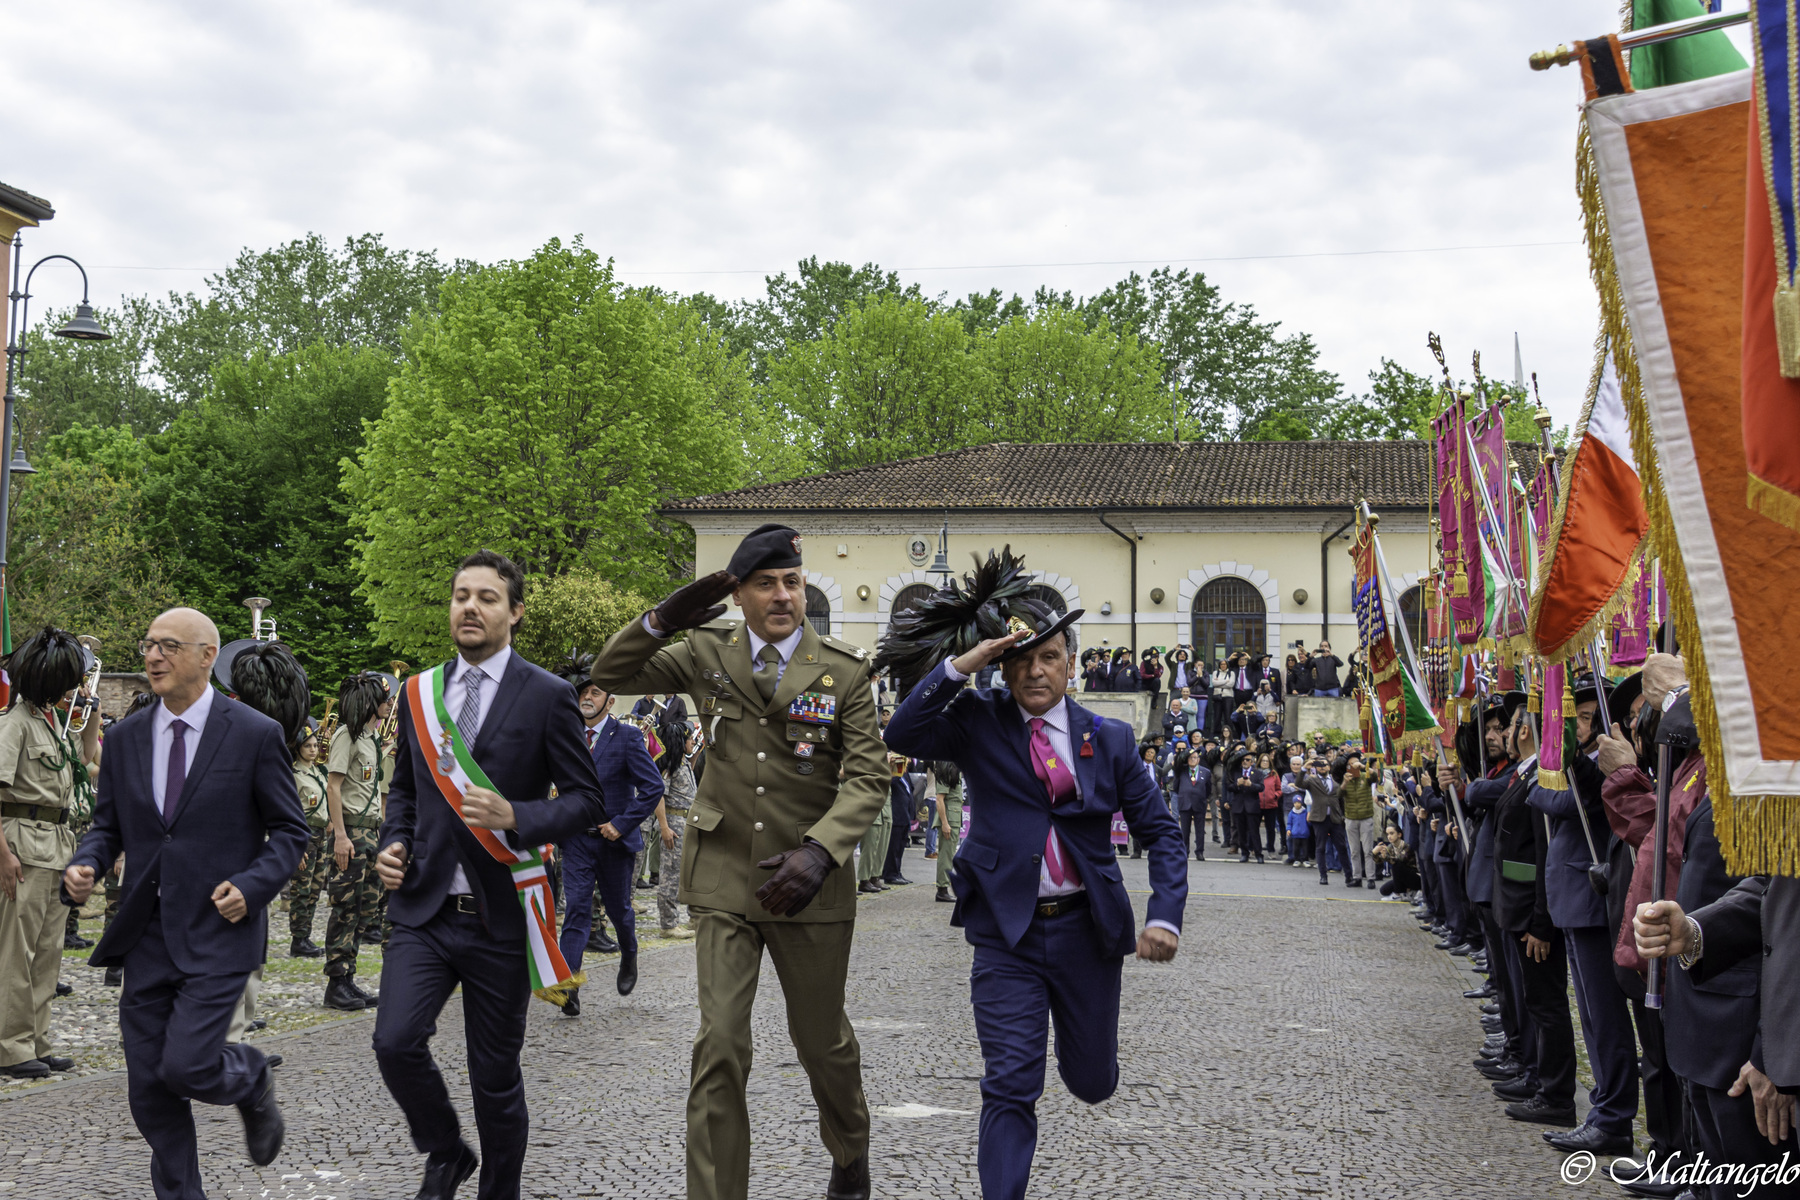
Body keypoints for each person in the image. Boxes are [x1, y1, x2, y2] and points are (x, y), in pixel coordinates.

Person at [590, 524, 888, 1200]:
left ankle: (850, 1149)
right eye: (766, 584)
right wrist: (660, 619)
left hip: (809, 881)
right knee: (721, 1041)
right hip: (725, 874)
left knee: (821, 1042)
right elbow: (610, 675)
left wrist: (821, 851)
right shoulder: (705, 650)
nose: (783, 595)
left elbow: (869, 777)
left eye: (792, 582)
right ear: (741, 595)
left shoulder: (843, 669)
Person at [880, 587, 1185, 1200]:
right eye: (1020, 659)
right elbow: (903, 730)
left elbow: (1161, 833)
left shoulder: (1111, 738)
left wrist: (1165, 917)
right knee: (1010, 1083)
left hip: (1087, 932)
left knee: (1092, 1082)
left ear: (1071, 664)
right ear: (1002, 666)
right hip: (1006, 933)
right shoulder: (978, 719)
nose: (1035, 671)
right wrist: (965, 663)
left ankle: (1091, 1063)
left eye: (1048, 657)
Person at [369, 550, 606, 1200]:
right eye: (461, 596)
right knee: (394, 1042)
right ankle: (446, 1151)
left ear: (515, 612)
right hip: (425, 910)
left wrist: (517, 816)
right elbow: (406, 792)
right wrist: (394, 842)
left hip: (501, 916)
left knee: (494, 1080)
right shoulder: (418, 694)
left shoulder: (549, 695)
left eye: (487, 597)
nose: (470, 607)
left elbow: (588, 801)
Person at [61, 608, 308, 1194]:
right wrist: (87, 861)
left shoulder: (254, 733)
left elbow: (290, 832)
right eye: (149, 644)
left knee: (189, 1065)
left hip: (219, 931)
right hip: (145, 934)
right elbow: (108, 826)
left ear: (206, 656)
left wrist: (251, 886)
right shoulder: (125, 738)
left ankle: (248, 1075)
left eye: (169, 645)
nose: (153, 656)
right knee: (149, 1088)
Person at [0, 628, 101, 1080]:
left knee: (47, 953)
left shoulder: (49, 722)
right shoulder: (15, 723)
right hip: (21, 844)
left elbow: (87, 761)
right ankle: (10, 1047)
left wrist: (91, 716)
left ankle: (36, 1039)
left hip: (55, 846)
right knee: (15, 954)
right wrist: (3, 856)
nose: (74, 687)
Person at [555, 667, 665, 1012]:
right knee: (576, 910)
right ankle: (567, 988)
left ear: (610, 701)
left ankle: (629, 953)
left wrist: (621, 824)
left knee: (619, 911)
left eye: (595, 693)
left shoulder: (627, 737)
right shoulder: (566, 734)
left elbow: (653, 788)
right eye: (583, 692)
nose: (587, 698)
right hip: (576, 841)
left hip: (615, 844)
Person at [321, 672, 389, 1012]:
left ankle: (348, 976)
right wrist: (340, 835)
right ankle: (335, 983)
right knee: (346, 907)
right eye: (384, 700)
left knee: (365, 908)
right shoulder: (346, 735)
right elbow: (333, 786)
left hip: (370, 832)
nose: (388, 705)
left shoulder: (371, 738)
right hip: (351, 831)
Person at [652, 719, 700, 937]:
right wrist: (664, 827)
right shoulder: (669, 766)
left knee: (691, 874)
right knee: (670, 876)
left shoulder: (682, 763)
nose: (692, 742)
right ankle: (668, 925)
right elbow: (659, 796)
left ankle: (695, 918)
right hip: (675, 825)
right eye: (689, 739)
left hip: (687, 823)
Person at [286, 721, 329, 958]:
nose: (313, 750)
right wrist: (296, 845)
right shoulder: (294, 775)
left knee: (315, 888)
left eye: (315, 746)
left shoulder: (318, 772)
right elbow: (290, 811)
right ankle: (298, 939)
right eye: (308, 746)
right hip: (305, 834)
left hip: (321, 835)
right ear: (298, 748)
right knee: (301, 888)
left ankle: (306, 936)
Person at [1338, 752, 1374, 888]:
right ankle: (1357, 877)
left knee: (1368, 850)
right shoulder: (1346, 779)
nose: (1353, 766)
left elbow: (1376, 777)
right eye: (1350, 764)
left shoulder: (1365, 776)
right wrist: (1345, 782)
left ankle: (1370, 878)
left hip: (1366, 817)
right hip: (1351, 818)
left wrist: (1363, 767)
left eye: (1355, 763)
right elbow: (1339, 794)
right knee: (1354, 851)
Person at [1226, 748, 1265, 864]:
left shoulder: (1258, 773)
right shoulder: (1235, 772)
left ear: (1252, 762)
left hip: (1252, 807)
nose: (1245, 762)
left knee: (1254, 832)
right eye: (1243, 760)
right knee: (1241, 832)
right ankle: (1244, 853)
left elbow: (1261, 787)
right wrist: (1237, 784)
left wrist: (1251, 785)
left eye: (1247, 760)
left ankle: (1258, 854)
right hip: (1239, 806)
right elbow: (1229, 787)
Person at [933, 760, 964, 903]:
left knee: (949, 855)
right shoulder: (946, 766)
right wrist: (945, 823)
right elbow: (939, 799)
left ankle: (944, 887)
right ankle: (942, 889)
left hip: (953, 816)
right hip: (949, 818)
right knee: (946, 855)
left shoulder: (953, 766)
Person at [1173, 748, 1209, 861]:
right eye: (1190, 758)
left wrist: (1202, 796)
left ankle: (1199, 851)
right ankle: (1185, 851)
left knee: (1200, 830)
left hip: (1199, 803)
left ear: (1199, 759)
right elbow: (1176, 787)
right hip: (1185, 803)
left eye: (1195, 757)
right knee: (1185, 830)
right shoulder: (1181, 771)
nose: (1193, 760)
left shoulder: (1206, 772)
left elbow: (1208, 789)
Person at [1285, 795, 1311, 867]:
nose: (1297, 804)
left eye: (1298, 803)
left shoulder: (1305, 812)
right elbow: (1289, 823)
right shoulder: (1291, 813)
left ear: (1301, 803)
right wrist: (1288, 829)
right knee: (1295, 848)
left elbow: (1309, 823)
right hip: (1295, 834)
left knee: (1305, 848)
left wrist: (1309, 822)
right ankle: (1297, 859)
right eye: (1295, 803)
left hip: (1304, 833)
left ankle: (1305, 859)